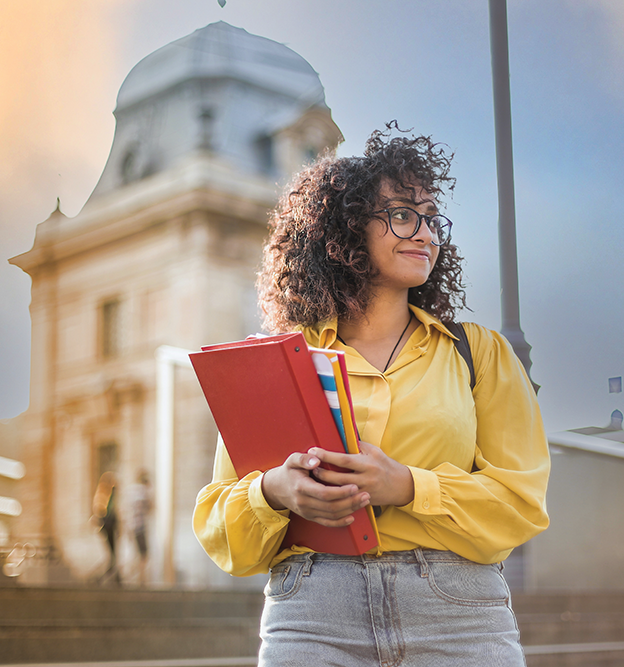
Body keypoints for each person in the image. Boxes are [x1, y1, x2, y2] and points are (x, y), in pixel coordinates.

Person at [193, 123, 550, 666]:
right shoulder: (280, 363)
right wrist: (273, 492)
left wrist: (408, 486)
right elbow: (222, 526)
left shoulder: (479, 353)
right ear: (344, 229)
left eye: (432, 219)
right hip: (312, 612)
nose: (426, 233)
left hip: (457, 613)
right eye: (403, 214)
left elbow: (521, 503)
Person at [92, 471, 120, 586]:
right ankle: (109, 576)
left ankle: (116, 576)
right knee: (111, 553)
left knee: (113, 553)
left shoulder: (110, 495)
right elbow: (100, 511)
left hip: (111, 526)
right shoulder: (103, 495)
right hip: (107, 526)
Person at [126, 469, 153, 586]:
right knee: (143, 554)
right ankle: (141, 579)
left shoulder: (131, 491)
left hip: (131, 526)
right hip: (140, 526)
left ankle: (136, 577)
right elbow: (150, 507)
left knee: (136, 553)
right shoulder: (143, 491)